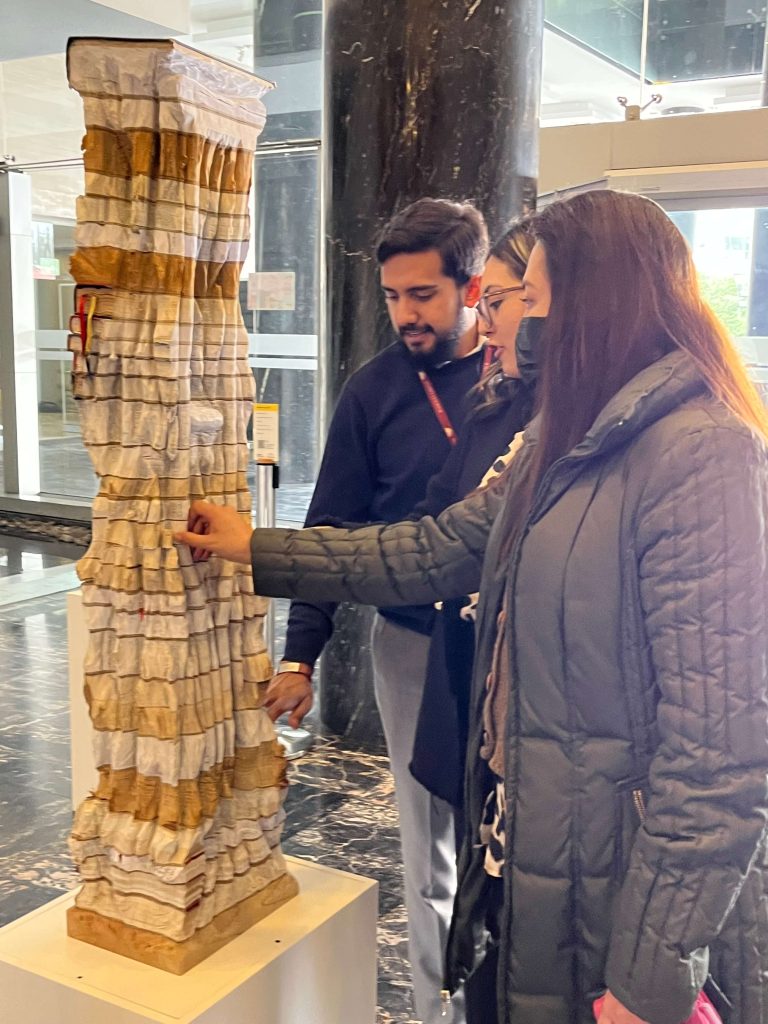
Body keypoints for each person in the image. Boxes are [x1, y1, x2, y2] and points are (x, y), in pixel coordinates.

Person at [176, 189, 768, 1024]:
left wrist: (649, 981)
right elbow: (426, 549)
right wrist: (254, 548)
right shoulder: (561, 439)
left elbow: (719, 764)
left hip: (623, 891)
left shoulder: (702, 452)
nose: (499, 323)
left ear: (592, 298)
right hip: (537, 848)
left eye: (517, 298)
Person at [260, 196, 490, 1024]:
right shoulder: (373, 391)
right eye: (394, 296)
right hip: (412, 648)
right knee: (427, 845)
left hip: (512, 648)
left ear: (471, 286)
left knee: (505, 842)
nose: (406, 314)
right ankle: (440, 1012)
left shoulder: (515, 378)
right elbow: (332, 524)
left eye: (424, 295)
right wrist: (299, 655)